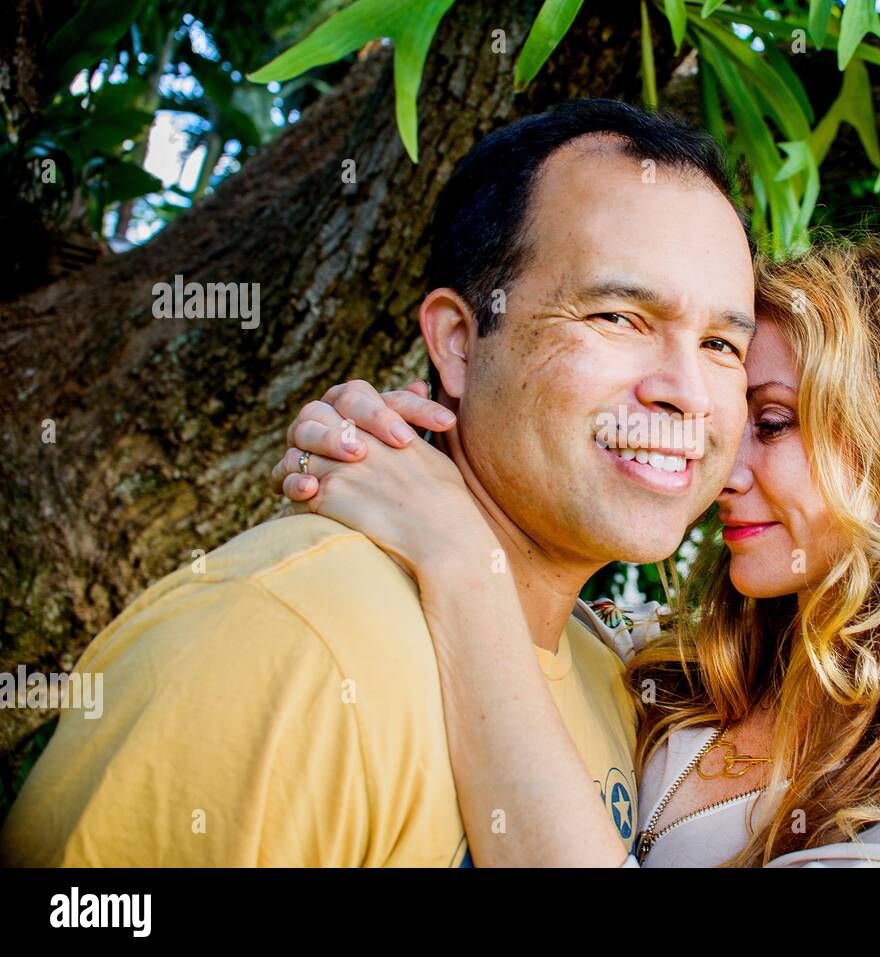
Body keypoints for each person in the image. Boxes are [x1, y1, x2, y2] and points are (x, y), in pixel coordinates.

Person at [0, 98, 757, 866]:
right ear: (459, 344)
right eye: (618, 316)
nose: (687, 391)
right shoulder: (289, 640)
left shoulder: (624, 686)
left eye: (723, 343)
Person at [274, 238, 880, 867]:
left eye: (773, 423)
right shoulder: (660, 663)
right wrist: (390, 457)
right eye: (731, 422)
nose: (722, 472)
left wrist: (460, 561)